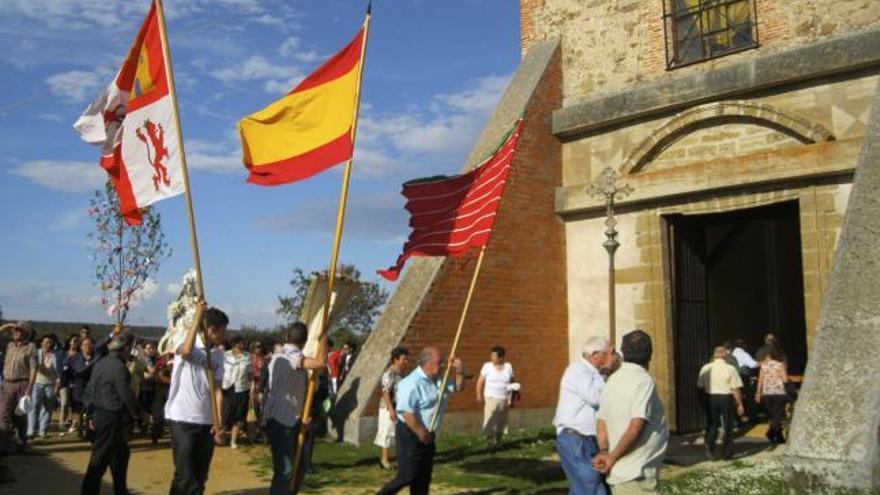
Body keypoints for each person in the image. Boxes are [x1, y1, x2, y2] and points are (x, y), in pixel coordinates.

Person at [376, 347, 465, 495]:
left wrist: (460, 371)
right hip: (410, 433)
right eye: (439, 362)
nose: (443, 364)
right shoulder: (411, 382)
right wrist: (421, 433)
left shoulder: (439, 380)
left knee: (423, 479)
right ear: (427, 363)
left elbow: (458, 387)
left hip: (428, 434)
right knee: (407, 476)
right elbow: (406, 413)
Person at [594, 330, 668, 495]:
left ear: (623, 352)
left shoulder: (612, 380)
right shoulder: (643, 380)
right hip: (636, 474)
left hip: (619, 475)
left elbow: (601, 423)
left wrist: (605, 452)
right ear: (650, 355)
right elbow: (636, 426)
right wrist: (611, 457)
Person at [165, 302, 227, 495]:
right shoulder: (185, 339)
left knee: (200, 477)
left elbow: (217, 391)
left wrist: (218, 423)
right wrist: (197, 316)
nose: (226, 334)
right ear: (212, 330)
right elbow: (185, 351)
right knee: (185, 476)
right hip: (183, 419)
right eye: (223, 330)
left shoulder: (218, 356)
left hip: (206, 422)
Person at [262, 322, 326, 495]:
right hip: (282, 420)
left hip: (294, 417)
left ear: (286, 336)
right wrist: (323, 339)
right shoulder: (288, 354)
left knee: (299, 466)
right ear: (305, 340)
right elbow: (319, 363)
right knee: (286, 470)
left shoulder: (281, 353)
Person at [553, 337, 613, 495]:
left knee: (596, 488)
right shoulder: (577, 370)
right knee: (589, 484)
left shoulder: (595, 374)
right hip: (575, 438)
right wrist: (608, 380)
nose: (611, 357)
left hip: (588, 439)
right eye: (608, 353)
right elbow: (595, 398)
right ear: (595, 355)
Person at [81, 333, 139, 495]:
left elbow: (90, 389)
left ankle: (120, 491)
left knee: (120, 456)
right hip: (111, 416)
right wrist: (136, 413)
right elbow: (125, 393)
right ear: (125, 348)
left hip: (101, 414)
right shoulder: (118, 367)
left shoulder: (101, 363)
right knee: (100, 459)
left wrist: (90, 413)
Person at [697, 346, 745, 460]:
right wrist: (740, 403)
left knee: (713, 423)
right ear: (724, 355)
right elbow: (735, 388)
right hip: (726, 397)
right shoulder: (730, 368)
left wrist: (703, 401)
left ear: (714, 355)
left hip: (711, 397)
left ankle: (709, 443)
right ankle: (727, 452)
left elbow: (700, 386)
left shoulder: (706, 368)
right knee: (728, 424)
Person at [0, 322, 37, 453]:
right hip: (7, 384)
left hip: (22, 384)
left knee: (20, 416)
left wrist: (30, 388)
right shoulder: (9, 345)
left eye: (19, 330)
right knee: (2, 414)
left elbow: (33, 369)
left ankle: (22, 442)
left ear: (26, 333)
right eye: (15, 330)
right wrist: (9, 325)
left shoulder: (30, 347)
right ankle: (5, 444)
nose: (16, 332)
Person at [375, 346, 410, 470]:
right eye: (403, 359)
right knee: (387, 432)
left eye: (406, 359)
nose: (406, 361)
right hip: (388, 408)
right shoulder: (389, 373)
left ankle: (402, 458)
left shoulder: (402, 373)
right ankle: (384, 460)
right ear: (395, 359)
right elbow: (385, 392)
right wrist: (390, 409)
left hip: (399, 406)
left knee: (400, 433)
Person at [476, 345, 515, 448]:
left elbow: (512, 383)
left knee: (501, 421)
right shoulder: (487, 366)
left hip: (504, 398)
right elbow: (480, 381)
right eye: (491, 355)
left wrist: (511, 398)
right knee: (490, 420)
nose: (492, 358)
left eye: (495, 356)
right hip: (491, 398)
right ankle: (490, 442)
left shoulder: (508, 367)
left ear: (501, 357)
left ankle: (498, 441)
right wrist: (479, 394)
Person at [28, 335, 61, 439]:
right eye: (46, 342)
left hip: (50, 385)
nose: (48, 344)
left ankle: (43, 431)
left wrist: (57, 387)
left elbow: (58, 374)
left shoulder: (55, 356)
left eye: (50, 342)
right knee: (34, 407)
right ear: (41, 343)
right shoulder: (36, 353)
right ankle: (31, 431)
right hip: (36, 383)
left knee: (47, 408)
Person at [222, 335, 252, 449]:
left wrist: (252, 387)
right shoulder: (225, 355)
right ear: (234, 344)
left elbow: (249, 374)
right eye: (240, 343)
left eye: (243, 343)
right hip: (227, 388)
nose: (242, 345)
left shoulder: (247, 356)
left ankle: (233, 441)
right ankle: (222, 437)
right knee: (225, 414)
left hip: (242, 389)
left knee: (238, 415)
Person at [756, 345, 788, 444]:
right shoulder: (780, 365)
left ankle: (779, 438)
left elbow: (760, 380)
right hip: (779, 392)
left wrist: (758, 393)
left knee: (773, 416)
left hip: (767, 393)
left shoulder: (763, 366)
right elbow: (785, 379)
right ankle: (770, 433)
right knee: (777, 415)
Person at [68, 337, 97, 437]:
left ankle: (89, 430)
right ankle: (79, 429)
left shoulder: (96, 358)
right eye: (85, 345)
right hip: (78, 387)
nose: (87, 347)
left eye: (89, 344)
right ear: (81, 347)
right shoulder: (75, 358)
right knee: (78, 410)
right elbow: (69, 371)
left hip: (92, 387)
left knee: (90, 409)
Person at [59, 335, 80, 431]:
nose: (76, 342)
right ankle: (62, 423)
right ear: (70, 342)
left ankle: (72, 422)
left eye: (77, 341)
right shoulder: (64, 354)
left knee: (74, 404)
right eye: (74, 340)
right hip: (64, 382)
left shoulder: (80, 355)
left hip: (75, 382)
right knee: (64, 403)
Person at [249, 340, 267, 441]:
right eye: (256, 346)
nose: (258, 348)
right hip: (252, 386)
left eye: (260, 346)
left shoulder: (264, 359)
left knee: (261, 410)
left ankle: (260, 431)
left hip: (262, 386)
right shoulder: (250, 358)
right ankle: (252, 433)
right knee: (252, 410)